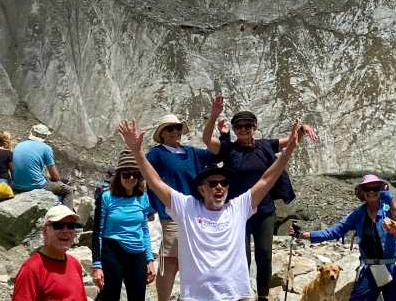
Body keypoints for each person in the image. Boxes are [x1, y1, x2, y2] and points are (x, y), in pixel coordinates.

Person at [118, 117, 303, 301]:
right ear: (201, 189)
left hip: (235, 296)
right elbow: (155, 182)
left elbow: (265, 179)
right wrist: (137, 151)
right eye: (213, 183)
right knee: (170, 260)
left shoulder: (238, 207)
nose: (219, 187)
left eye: (224, 183)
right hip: (197, 297)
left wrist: (288, 152)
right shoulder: (187, 207)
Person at [201, 94, 319, 301]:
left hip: (264, 210)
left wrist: (303, 128)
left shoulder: (265, 145)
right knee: (240, 256)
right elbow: (206, 140)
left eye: (248, 126)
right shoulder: (229, 149)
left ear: (255, 127)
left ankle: (263, 296)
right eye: (239, 127)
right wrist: (213, 117)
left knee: (264, 254)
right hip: (238, 212)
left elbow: (289, 141)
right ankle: (242, 294)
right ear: (235, 129)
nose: (244, 130)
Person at [292, 174, 396, 301]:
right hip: (369, 269)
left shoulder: (389, 210)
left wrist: (391, 200)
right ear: (362, 192)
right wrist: (304, 235)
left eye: (375, 188)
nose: (371, 191)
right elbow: (334, 232)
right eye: (367, 189)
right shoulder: (357, 215)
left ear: (381, 190)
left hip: (392, 267)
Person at [145, 113, 218, 301]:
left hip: (194, 214)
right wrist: (148, 206)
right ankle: (164, 298)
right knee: (169, 261)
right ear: (162, 133)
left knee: (191, 258)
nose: (175, 132)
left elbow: (216, 154)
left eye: (178, 128)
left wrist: (223, 134)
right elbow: (144, 179)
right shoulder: (156, 154)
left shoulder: (192, 152)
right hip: (169, 214)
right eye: (170, 128)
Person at [92, 148, 156, 301]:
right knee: (110, 296)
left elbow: (144, 229)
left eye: (136, 174)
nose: (131, 178)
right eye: (126, 174)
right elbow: (97, 232)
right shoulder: (106, 197)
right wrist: (97, 265)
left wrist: (150, 259)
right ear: (119, 175)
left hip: (137, 254)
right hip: (112, 252)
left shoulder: (143, 197)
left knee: (138, 297)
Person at [12, 204, 87, 301]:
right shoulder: (31, 269)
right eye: (58, 226)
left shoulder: (75, 264)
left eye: (71, 226)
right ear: (44, 231)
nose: (66, 231)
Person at [12, 124, 73, 205]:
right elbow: (56, 178)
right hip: (35, 186)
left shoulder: (19, 145)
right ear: (45, 136)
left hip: (16, 185)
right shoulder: (46, 148)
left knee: (45, 178)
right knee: (68, 190)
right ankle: (67, 216)